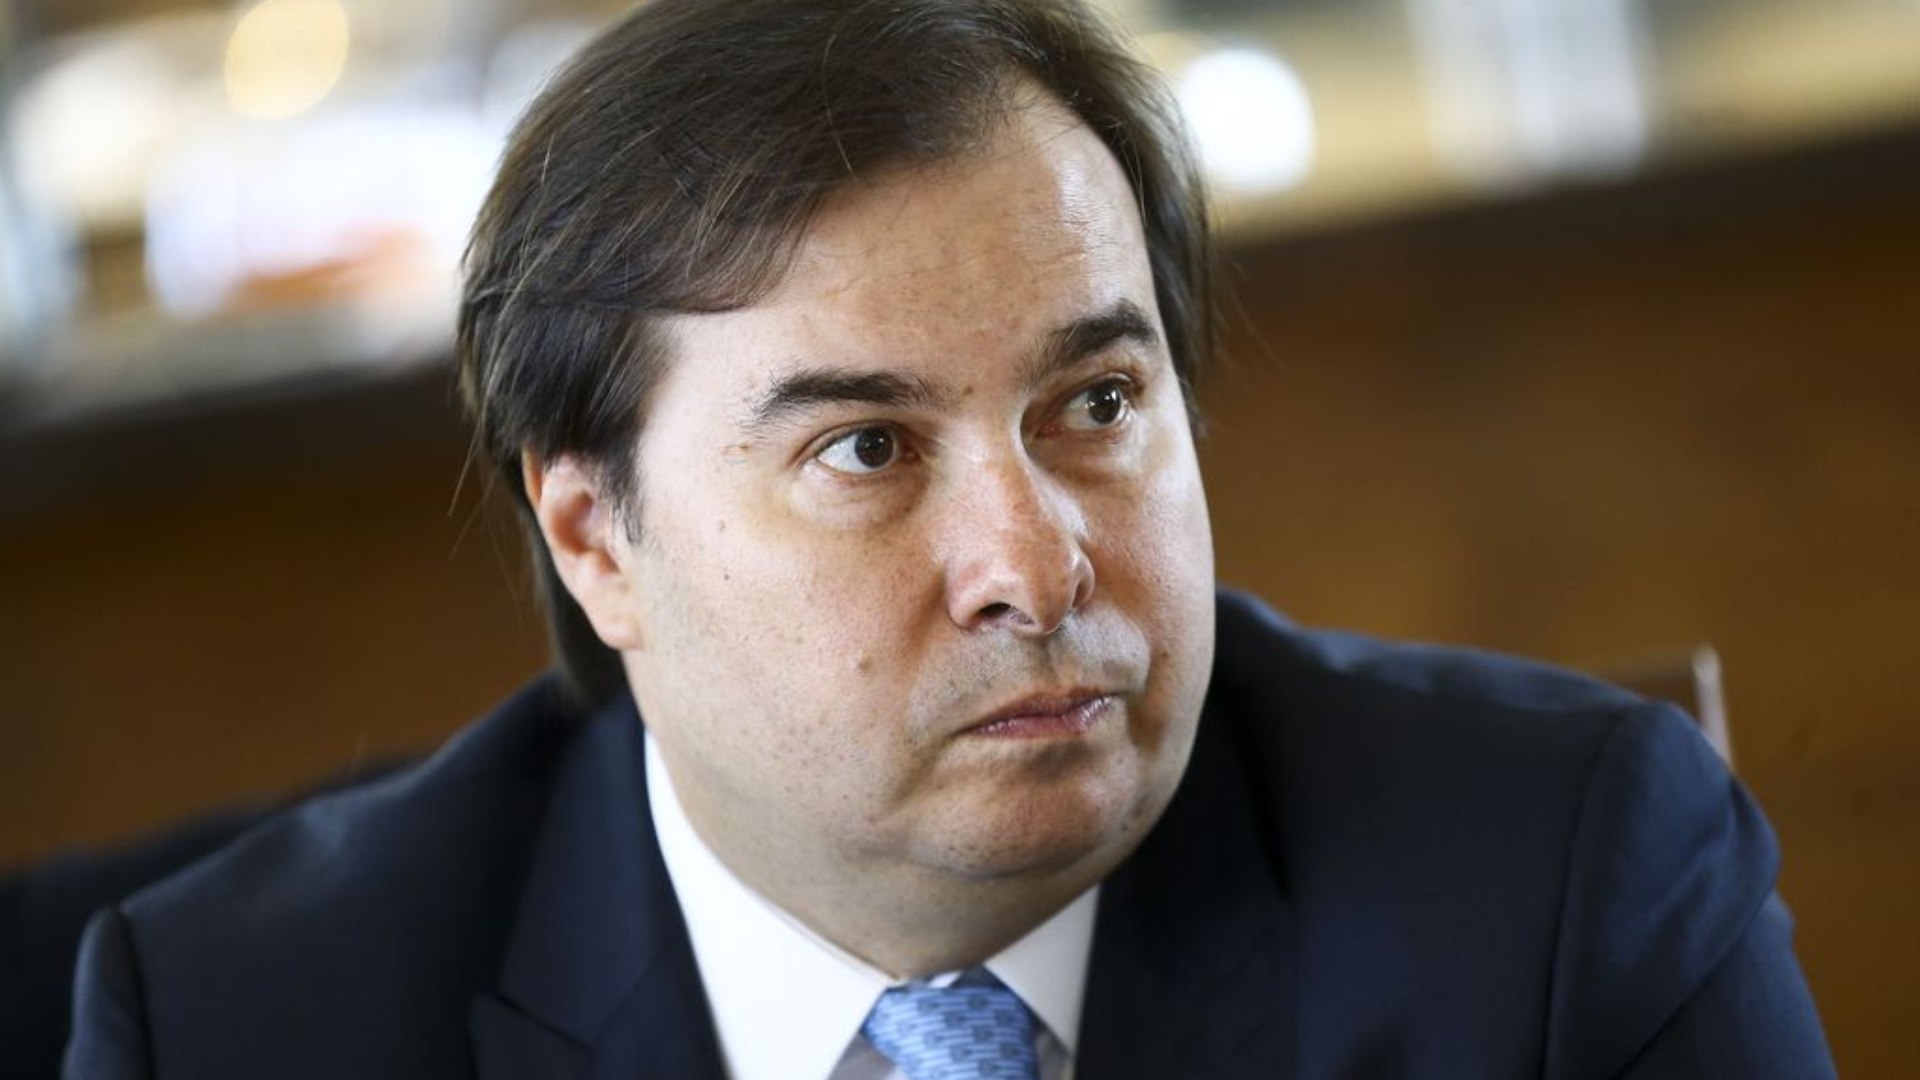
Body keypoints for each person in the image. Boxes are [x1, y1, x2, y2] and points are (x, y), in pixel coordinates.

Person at [65, 0, 1835, 1076]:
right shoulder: (247, 1024)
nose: (1036, 567)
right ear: (598, 538)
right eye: (866, 448)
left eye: (1097, 404)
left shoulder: (1560, 883)